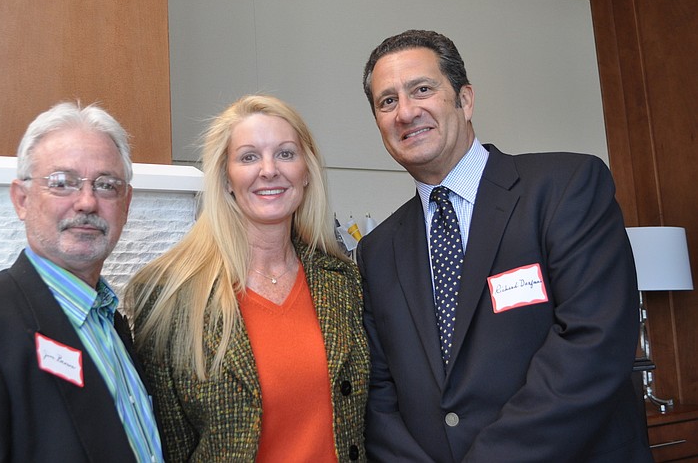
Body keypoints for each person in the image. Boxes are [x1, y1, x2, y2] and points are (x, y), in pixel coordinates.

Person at [357, 29, 652, 462]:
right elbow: (379, 395)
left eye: (422, 89)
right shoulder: (377, 250)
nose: (405, 112)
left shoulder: (567, 188)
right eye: (387, 101)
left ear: (465, 99)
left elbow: (593, 345)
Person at [0, 102, 163, 463]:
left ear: (126, 203)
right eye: (62, 183)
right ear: (21, 200)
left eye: (105, 185)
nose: (86, 202)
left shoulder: (112, 323)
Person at [123, 94, 369, 462]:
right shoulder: (166, 297)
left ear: (306, 172)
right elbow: (168, 447)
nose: (269, 170)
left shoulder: (344, 281)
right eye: (249, 156)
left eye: (285, 153)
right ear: (225, 177)